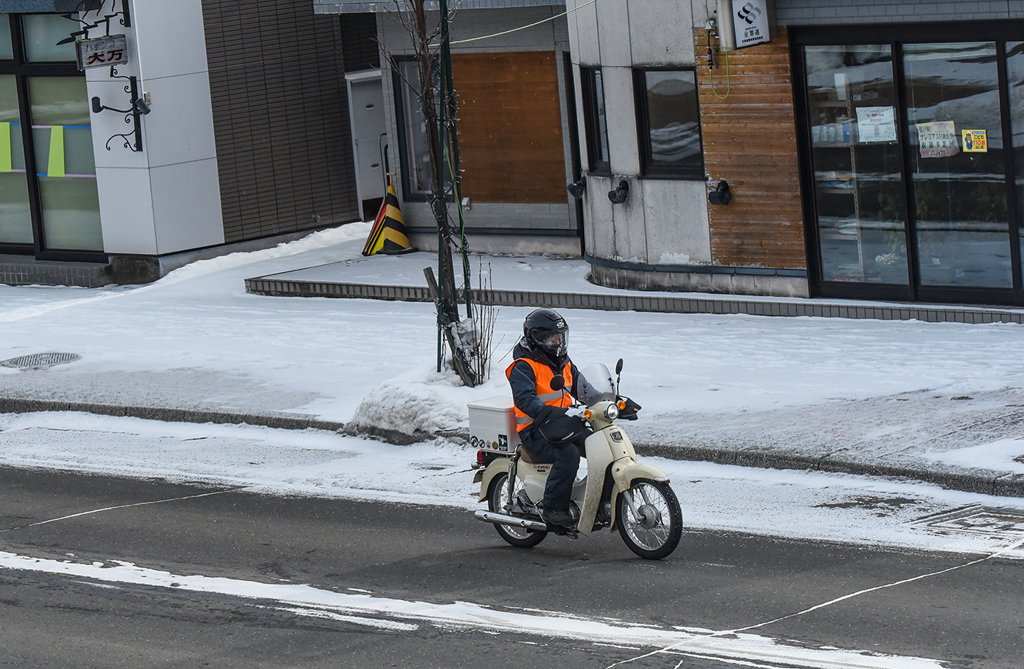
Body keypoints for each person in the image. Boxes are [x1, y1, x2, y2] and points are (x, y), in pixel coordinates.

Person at [505, 308, 587, 528]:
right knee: (568, 455)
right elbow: (524, 399)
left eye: (561, 337)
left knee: (597, 442)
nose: (559, 343)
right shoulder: (524, 366)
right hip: (535, 429)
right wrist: (545, 411)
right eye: (553, 338)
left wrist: (612, 400)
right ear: (537, 339)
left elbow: (584, 389)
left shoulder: (564, 363)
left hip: (562, 423)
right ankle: (553, 507)